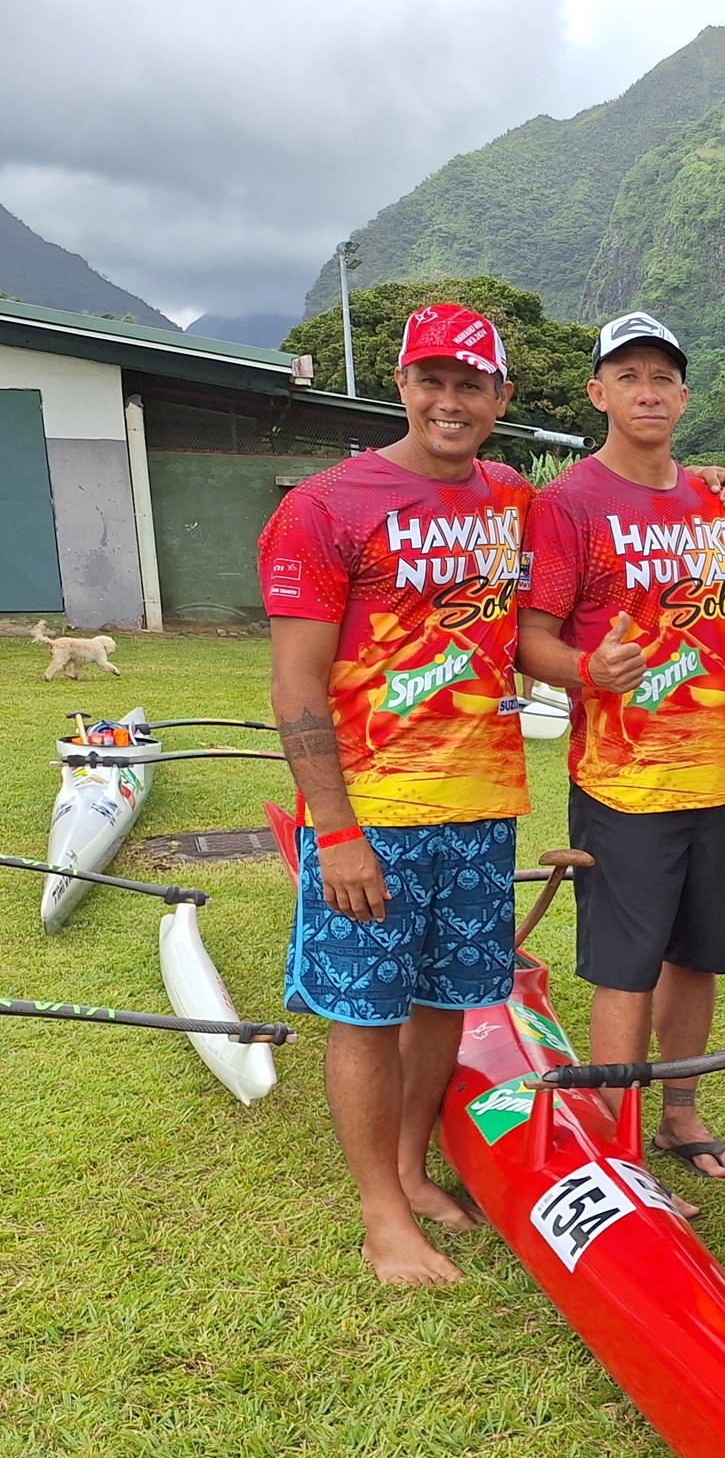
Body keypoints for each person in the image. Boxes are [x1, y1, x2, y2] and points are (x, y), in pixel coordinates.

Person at [260, 302, 532, 1286]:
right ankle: (382, 1215)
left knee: (446, 1001)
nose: (449, 401)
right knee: (366, 1013)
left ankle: (414, 1170)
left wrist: (701, 482)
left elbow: (594, 517)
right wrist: (334, 832)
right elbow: (295, 683)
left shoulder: (509, 497)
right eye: (432, 380)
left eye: (471, 384)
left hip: (483, 804)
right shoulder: (327, 506)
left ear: (500, 396)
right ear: (404, 386)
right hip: (374, 815)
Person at [519, 310, 725, 1181]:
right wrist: (592, 670)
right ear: (600, 393)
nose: (648, 391)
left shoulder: (707, 498)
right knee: (626, 968)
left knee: (699, 955)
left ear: (685, 394)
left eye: (663, 377)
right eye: (629, 376)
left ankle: (680, 1116)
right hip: (622, 785)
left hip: (717, 775)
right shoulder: (568, 504)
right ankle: (617, 1144)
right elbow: (529, 638)